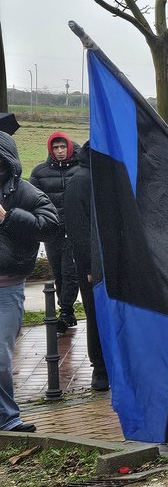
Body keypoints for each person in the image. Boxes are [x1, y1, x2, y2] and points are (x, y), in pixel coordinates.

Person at [0, 132, 59, 434]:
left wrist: (7, 217)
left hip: (6, 287)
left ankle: (8, 419)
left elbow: (50, 226)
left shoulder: (23, 191)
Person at [59, 143, 107, 391]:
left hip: (116, 258)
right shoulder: (80, 179)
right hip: (93, 264)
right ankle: (100, 368)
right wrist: (89, 265)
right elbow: (77, 228)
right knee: (96, 315)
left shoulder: (111, 176)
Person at [28, 132, 81, 330]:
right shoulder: (39, 172)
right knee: (58, 271)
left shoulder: (80, 169)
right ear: (51, 149)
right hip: (52, 231)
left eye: (63, 147)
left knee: (70, 270)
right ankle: (67, 312)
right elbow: (31, 200)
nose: (60, 151)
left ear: (69, 147)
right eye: (56, 148)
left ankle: (66, 310)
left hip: (74, 230)